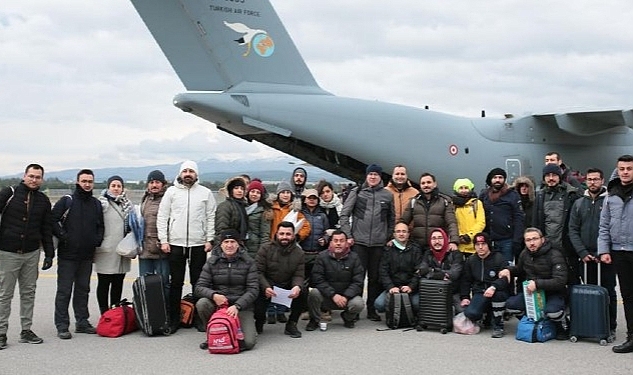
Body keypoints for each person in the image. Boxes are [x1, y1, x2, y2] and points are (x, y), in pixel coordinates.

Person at [157, 160, 216, 333]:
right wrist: (164, 240)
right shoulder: (171, 192)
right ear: (180, 174)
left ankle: (198, 318)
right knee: (176, 283)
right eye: (185, 171)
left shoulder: (205, 193)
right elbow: (163, 216)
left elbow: (210, 216)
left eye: (191, 171)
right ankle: (174, 319)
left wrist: (209, 238)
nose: (188, 174)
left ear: (196, 174)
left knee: (198, 282)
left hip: (198, 244)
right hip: (175, 244)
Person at [0, 164, 55, 348]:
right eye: (31, 176)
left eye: (38, 177)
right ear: (24, 176)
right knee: (4, 295)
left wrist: (49, 253)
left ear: (42, 179)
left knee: (28, 293)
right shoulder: (9, 193)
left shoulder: (43, 200)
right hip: (7, 252)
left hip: (32, 253)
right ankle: (1, 332)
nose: (34, 180)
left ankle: (26, 330)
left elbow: (46, 228)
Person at [52, 169, 104, 339]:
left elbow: (100, 225)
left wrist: (97, 239)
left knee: (83, 290)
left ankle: (82, 322)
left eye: (90, 181)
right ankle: (62, 325)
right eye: (84, 181)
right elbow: (52, 220)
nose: (87, 184)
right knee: (64, 291)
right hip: (68, 255)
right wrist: (64, 236)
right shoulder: (67, 201)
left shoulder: (96, 204)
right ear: (77, 182)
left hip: (87, 255)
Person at [339, 164, 395, 321]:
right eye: (370, 174)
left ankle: (371, 309)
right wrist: (349, 236)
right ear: (366, 176)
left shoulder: (387, 195)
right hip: (359, 242)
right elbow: (344, 215)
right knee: (358, 276)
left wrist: (387, 237)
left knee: (375, 278)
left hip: (378, 243)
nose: (373, 177)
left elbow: (392, 219)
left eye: (376, 174)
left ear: (380, 177)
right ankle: (355, 309)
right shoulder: (357, 192)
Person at [569, 167, 617, 339]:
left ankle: (609, 326)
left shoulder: (610, 201)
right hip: (585, 256)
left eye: (596, 179)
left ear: (602, 181)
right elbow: (572, 230)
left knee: (608, 290)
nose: (593, 182)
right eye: (589, 179)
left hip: (605, 256)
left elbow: (613, 229)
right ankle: (589, 324)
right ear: (585, 181)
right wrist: (582, 252)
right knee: (587, 291)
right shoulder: (579, 203)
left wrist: (603, 251)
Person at [195, 229, 258, 351]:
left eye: (233, 241)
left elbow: (253, 290)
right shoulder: (212, 262)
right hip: (219, 304)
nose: (229, 245)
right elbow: (199, 287)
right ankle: (213, 333)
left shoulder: (249, 262)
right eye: (226, 242)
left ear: (239, 244)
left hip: (241, 306)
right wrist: (214, 295)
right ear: (221, 244)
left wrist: (237, 306)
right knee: (202, 303)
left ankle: (229, 334)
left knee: (249, 343)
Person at [500, 227, 568, 338]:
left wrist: (537, 284)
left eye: (535, 239)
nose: (531, 243)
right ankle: (535, 322)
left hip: (553, 293)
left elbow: (560, 281)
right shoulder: (524, 254)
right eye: (528, 240)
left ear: (542, 239)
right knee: (511, 305)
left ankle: (561, 325)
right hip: (532, 293)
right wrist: (508, 270)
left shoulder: (555, 254)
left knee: (553, 312)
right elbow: (519, 269)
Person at [598, 154, 633, 353]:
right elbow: (604, 224)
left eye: (629, 168)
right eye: (622, 169)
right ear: (617, 170)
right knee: (627, 296)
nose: (625, 172)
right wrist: (604, 249)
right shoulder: (611, 194)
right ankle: (631, 337)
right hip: (619, 251)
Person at [255, 221, 306, 338]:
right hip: (268, 285)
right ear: (276, 234)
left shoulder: (299, 253)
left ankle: (292, 324)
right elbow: (258, 272)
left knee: (303, 291)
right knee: (256, 291)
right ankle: (259, 322)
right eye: (281, 233)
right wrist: (266, 287)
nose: (284, 237)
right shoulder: (265, 249)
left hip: (287, 285)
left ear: (293, 235)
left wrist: (296, 286)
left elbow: (299, 274)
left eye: (288, 234)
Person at [306, 230, 365, 330]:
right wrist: (333, 295)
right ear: (331, 243)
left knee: (359, 304)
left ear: (346, 243)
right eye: (335, 240)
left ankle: (347, 317)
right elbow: (317, 279)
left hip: (346, 298)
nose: (338, 243)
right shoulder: (322, 257)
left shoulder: (354, 258)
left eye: (341, 241)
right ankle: (314, 320)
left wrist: (346, 296)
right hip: (327, 296)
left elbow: (358, 281)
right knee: (314, 293)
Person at [533, 164, 581, 284]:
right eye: (547, 175)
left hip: (566, 246)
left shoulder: (571, 194)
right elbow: (536, 221)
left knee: (572, 279)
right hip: (547, 247)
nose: (551, 178)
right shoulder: (539, 195)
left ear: (559, 177)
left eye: (554, 175)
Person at [459, 232, 510, 338]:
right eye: (477, 245)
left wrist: (494, 286)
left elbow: (505, 279)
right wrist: (465, 297)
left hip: (496, 291)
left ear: (488, 245)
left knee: (498, 295)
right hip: (480, 292)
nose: (480, 247)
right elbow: (466, 280)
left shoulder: (499, 258)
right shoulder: (471, 260)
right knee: (471, 313)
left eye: (483, 244)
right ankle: (487, 315)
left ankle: (498, 324)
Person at [94, 175, 132, 314]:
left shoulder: (127, 204)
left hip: (122, 250)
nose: (116, 189)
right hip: (106, 249)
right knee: (104, 283)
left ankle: (115, 311)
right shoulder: (101, 203)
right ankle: (104, 313)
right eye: (113, 186)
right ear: (108, 187)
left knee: (118, 283)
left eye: (119, 186)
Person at [400, 173, 459, 251]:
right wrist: (395, 238)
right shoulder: (414, 201)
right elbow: (403, 222)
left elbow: (451, 223)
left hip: (438, 246)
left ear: (435, 184)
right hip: (417, 247)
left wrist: (453, 241)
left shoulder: (445, 201)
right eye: (423, 183)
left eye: (429, 182)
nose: (426, 185)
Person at [374, 223, 423, 315]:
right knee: (379, 304)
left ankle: (408, 315)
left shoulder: (416, 250)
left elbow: (419, 271)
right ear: (394, 234)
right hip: (394, 287)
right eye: (398, 231)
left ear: (408, 234)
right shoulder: (388, 249)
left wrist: (411, 286)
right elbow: (383, 271)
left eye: (404, 231)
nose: (401, 234)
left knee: (417, 304)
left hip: (411, 289)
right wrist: (390, 287)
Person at [479, 168, 524, 264]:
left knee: (506, 268)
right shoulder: (484, 195)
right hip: (489, 240)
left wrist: (517, 240)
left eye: (500, 177)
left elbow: (519, 218)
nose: (498, 180)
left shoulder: (512, 195)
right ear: (491, 180)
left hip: (507, 240)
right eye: (495, 177)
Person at [418, 228, 464, 313]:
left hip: (452, 292)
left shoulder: (456, 254)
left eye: (440, 238)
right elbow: (422, 270)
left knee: (462, 311)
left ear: (446, 239)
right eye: (434, 239)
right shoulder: (428, 253)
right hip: (433, 292)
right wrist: (441, 275)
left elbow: (454, 274)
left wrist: (432, 271)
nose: (437, 241)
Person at [139, 170, 170, 295]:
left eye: (157, 182)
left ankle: (165, 312)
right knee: (145, 284)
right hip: (145, 249)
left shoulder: (168, 199)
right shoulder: (145, 198)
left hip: (161, 250)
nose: (154, 185)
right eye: (151, 182)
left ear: (163, 184)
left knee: (164, 284)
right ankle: (147, 312)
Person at [452, 178, 486, 258]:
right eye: (461, 188)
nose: (464, 190)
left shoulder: (477, 203)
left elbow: (481, 222)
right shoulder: (452, 205)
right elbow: (451, 222)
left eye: (466, 188)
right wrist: (459, 236)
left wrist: (469, 236)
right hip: (459, 247)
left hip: (474, 246)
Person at [214, 176, 248, 243]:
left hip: (239, 243)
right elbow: (221, 229)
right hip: (228, 244)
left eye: (242, 188)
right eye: (236, 188)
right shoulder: (225, 206)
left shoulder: (243, 206)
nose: (239, 190)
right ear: (230, 190)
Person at [244, 180, 272, 258]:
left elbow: (265, 234)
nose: (255, 194)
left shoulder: (265, 210)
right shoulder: (241, 207)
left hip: (255, 247)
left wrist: (262, 252)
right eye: (252, 191)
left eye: (258, 192)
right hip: (241, 245)